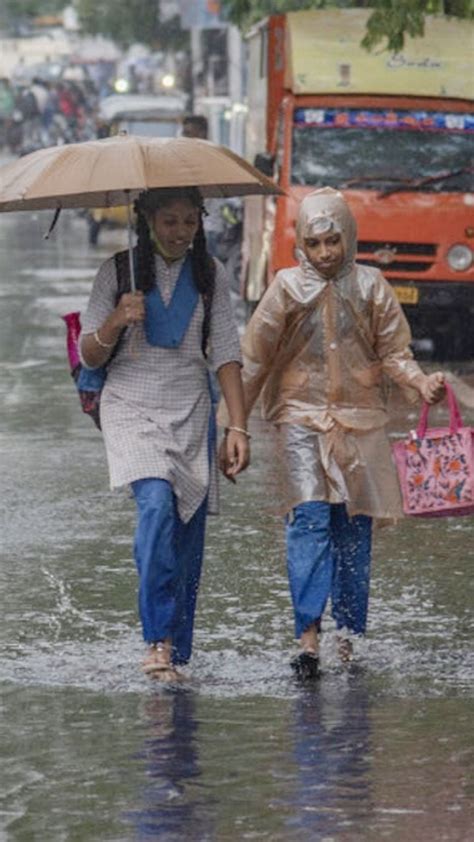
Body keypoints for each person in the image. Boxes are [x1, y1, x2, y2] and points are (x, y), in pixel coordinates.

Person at [220, 187, 445, 679]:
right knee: (308, 523)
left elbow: (394, 352)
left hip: (361, 423)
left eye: (333, 241)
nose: (324, 253)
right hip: (301, 420)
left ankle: (348, 637)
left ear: (349, 238)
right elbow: (254, 359)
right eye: (315, 242)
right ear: (302, 241)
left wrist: (419, 381)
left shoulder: (372, 286)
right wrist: (234, 425)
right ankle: (308, 638)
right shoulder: (284, 288)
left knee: (354, 528)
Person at [80, 187, 250, 681]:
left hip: (191, 407)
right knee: (155, 506)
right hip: (130, 405)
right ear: (147, 219)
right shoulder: (117, 272)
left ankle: (176, 648)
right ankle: (155, 640)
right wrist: (116, 319)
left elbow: (225, 354)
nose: (179, 231)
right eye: (169, 220)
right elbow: (89, 354)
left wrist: (237, 426)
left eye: (189, 221)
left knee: (186, 533)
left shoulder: (211, 275)